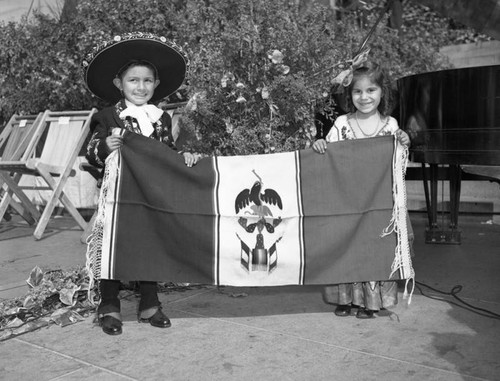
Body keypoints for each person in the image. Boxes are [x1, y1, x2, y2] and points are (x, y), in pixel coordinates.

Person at [82, 32, 198, 335]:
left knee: (150, 246)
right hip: (117, 197)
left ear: (156, 85)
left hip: (150, 195)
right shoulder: (108, 116)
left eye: (147, 81)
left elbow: (166, 154)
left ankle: (150, 303)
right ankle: (109, 305)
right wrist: (106, 145)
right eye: (133, 81)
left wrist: (183, 158)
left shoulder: (160, 119)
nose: (141, 87)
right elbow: (91, 152)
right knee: (113, 247)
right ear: (119, 84)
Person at [312, 60, 411, 319]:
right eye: (357, 91)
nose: (364, 97)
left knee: (372, 247)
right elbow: (328, 159)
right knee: (345, 246)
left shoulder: (391, 125)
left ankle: (371, 301)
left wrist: (404, 143)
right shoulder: (341, 124)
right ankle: (344, 298)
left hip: (377, 203)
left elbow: (399, 166)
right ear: (349, 95)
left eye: (371, 90)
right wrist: (320, 145)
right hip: (346, 201)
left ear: (382, 92)